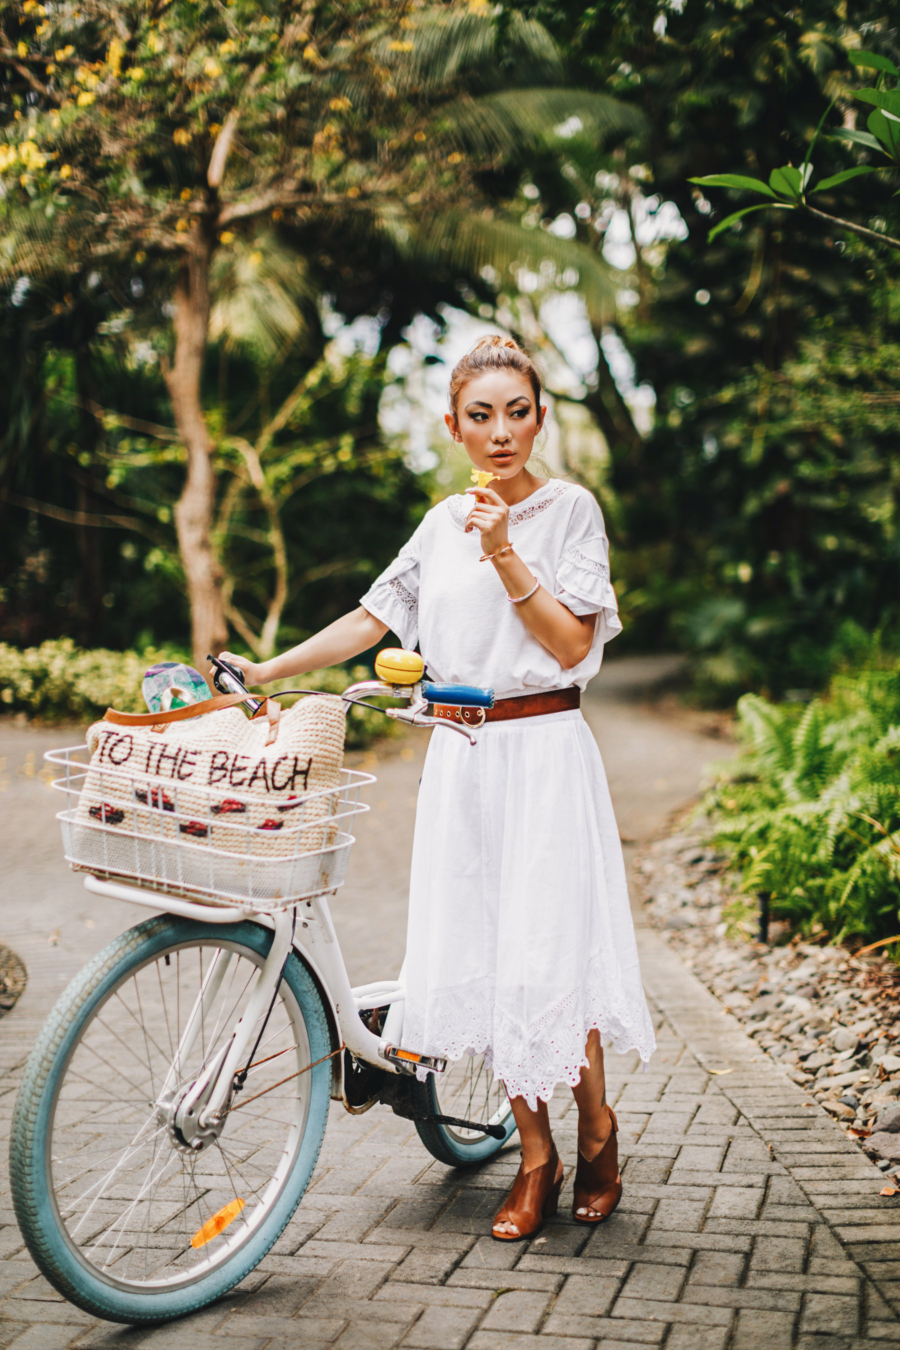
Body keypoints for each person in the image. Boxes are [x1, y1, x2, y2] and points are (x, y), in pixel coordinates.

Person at [221, 334, 655, 1240]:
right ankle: (535, 1157)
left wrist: (503, 550)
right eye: (481, 415)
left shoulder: (571, 510)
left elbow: (573, 647)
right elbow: (373, 616)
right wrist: (265, 670)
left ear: (540, 417)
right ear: (453, 425)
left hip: (544, 755)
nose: (501, 431)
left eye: (518, 411)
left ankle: (598, 1130)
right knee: (485, 957)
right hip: (462, 763)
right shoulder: (438, 522)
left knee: (550, 957)